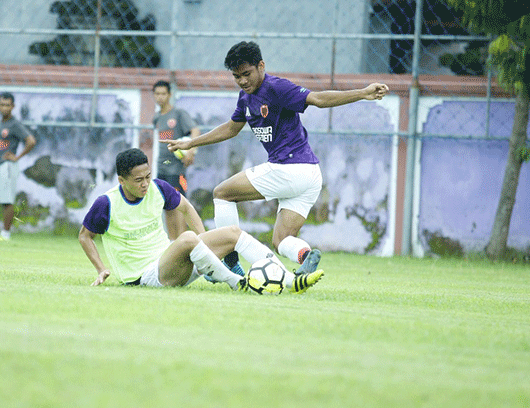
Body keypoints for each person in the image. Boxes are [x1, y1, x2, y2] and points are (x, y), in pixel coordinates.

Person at [164, 41, 389, 276]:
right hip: (309, 176)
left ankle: (230, 262)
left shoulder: (276, 88)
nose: (242, 81)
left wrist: (363, 93)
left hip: (290, 167)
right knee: (281, 240)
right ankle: (306, 256)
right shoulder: (245, 98)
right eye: (236, 76)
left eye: (246, 74)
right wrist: (191, 142)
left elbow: (319, 100)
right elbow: (231, 128)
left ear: (261, 65)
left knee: (222, 193)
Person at [78, 148, 324, 293]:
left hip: (174, 260)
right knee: (187, 238)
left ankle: (293, 281)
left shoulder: (158, 188)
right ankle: (237, 282)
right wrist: (102, 268)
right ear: (122, 180)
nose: (145, 184)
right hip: (146, 277)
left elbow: (187, 208)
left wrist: (202, 245)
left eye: (148, 176)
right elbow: (85, 236)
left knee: (231, 233)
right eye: (138, 180)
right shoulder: (106, 204)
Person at [0, 92, 36, 241]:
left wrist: (17, 157)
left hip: (7, 166)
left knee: (7, 200)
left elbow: (31, 141)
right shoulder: (1, 124)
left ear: (13, 106)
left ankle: (5, 234)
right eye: (2, 104)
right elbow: (3, 144)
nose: (4, 108)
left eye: (8, 105)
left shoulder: (15, 124)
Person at [152, 80, 201, 240]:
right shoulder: (157, 118)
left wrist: (191, 151)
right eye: (157, 94)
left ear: (169, 95)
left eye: (163, 94)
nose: (160, 97)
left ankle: (182, 241)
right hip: (161, 169)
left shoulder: (179, 114)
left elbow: (195, 130)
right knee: (167, 206)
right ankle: (172, 243)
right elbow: (163, 139)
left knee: (180, 206)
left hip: (177, 171)